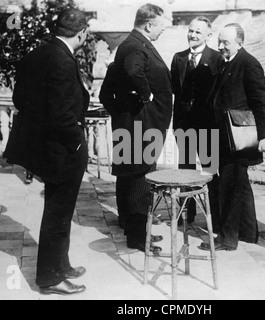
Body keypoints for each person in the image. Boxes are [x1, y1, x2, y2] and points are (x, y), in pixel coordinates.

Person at [3, 8, 90, 295]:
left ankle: (61, 265)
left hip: (47, 148)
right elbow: (62, 114)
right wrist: (76, 141)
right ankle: (50, 279)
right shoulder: (63, 60)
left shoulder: (36, 54)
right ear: (81, 33)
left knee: (59, 212)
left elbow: (20, 99)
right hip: (63, 150)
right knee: (57, 214)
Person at [101, 3, 172, 254]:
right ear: (149, 24)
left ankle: (130, 227)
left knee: (128, 176)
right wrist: (146, 97)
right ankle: (138, 237)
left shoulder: (129, 44)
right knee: (141, 178)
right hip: (142, 126)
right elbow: (134, 71)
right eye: (161, 27)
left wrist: (121, 114)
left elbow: (105, 93)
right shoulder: (135, 46)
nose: (162, 31)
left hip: (132, 124)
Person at [199, 23, 265, 251]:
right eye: (219, 41)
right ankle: (249, 232)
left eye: (226, 43)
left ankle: (227, 238)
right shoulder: (227, 62)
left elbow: (263, 101)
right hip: (226, 136)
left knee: (230, 187)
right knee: (240, 186)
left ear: (240, 42)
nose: (220, 46)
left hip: (238, 137)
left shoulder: (249, 64)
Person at [171, 17, 222, 226]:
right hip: (184, 124)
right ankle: (186, 213)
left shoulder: (217, 58)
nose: (193, 35)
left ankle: (216, 218)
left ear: (208, 35)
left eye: (198, 32)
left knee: (211, 169)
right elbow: (176, 89)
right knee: (185, 169)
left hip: (206, 124)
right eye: (191, 31)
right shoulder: (178, 58)